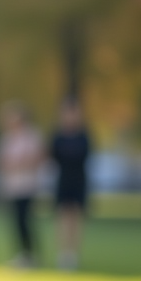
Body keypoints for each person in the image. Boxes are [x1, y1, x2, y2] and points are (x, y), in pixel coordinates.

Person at [0, 102, 44, 268]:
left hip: (28, 186)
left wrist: (18, 163)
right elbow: (3, 162)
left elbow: (35, 159)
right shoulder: (8, 139)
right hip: (12, 186)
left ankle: (31, 255)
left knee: (26, 220)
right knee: (15, 222)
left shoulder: (32, 136)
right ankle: (21, 254)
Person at [50, 102, 91, 270]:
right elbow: (54, 156)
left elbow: (83, 155)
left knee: (76, 218)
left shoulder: (83, 136)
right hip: (63, 180)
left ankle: (73, 254)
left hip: (79, 180)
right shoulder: (58, 136)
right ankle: (63, 253)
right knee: (62, 217)